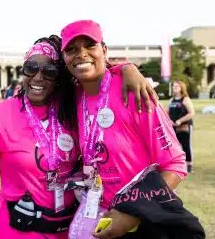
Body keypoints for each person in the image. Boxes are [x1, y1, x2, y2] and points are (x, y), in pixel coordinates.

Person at [0, 34, 158, 239]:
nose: (38, 77)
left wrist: (127, 68)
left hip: (67, 229)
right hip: (17, 229)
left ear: (59, 77)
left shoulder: (74, 107)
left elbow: (94, 70)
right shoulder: (1, 114)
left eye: (49, 71)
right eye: (30, 68)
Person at [60, 20, 187, 238]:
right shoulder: (74, 97)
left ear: (104, 50)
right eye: (71, 49)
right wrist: (125, 67)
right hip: (99, 210)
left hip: (144, 218)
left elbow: (174, 164)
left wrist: (133, 214)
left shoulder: (134, 93)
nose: (81, 54)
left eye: (90, 45)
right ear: (64, 59)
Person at [167, 80, 195, 173]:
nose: (174, 88)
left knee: (186, 145)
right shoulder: (171, 100)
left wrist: (180, 121)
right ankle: (179, 164)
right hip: (174, 127)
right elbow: (167, 113)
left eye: (176, 87)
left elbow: (191, 113)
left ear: (181, 88)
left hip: (185, 127)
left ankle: (189, 165)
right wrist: (170, 121)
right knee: (175, 146)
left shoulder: (185, 99)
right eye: (173, 86)